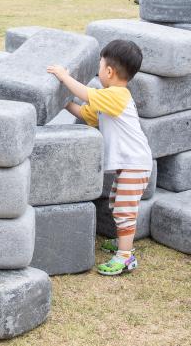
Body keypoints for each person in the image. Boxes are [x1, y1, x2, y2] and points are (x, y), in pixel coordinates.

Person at [47, 40, 152, 275]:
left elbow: (86, 94)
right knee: (117, 204)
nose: (98, 69)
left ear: (109, 71)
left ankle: (126, 256)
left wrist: (64, 76)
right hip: (130, 164)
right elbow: (86, 113)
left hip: (135, 163)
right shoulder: (108, 98)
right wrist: (64, 103)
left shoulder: (117, 95)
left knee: (125, 208)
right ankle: (123, 244)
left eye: (99, 64)